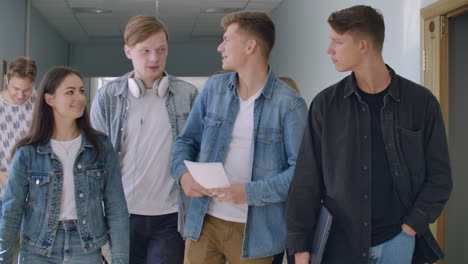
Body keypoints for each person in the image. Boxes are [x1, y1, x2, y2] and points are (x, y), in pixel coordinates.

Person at [286, 5, 452, 264]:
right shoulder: (325, 105)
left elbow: (440, 178)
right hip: (339, 247)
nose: (329, 49)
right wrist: (300, 247)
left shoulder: (421, 103)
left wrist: (409, 229)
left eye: (337, 42)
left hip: (398, 243)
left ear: (363, 45)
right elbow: (306, 182)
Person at [171, 11, 307, 264]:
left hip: (257, 233)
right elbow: (185, 142)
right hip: (204, 222)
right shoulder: (213, 89)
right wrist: (183, 175)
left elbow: (301, 173)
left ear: (250, 46)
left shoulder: (290, 104)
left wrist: (249, 193)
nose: (220, 47)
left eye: (226, 39)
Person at [90, 15, 198, 264]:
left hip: (171, 216)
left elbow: (197, 153)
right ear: (128, 51)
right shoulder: (108, 97)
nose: (154, 58)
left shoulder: (188, 95)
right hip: (121, 215)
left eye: (161, 50)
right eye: (145, 50)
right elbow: (94, 159)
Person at [0, 66, 129, 263]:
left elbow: (116, 207)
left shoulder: (100, 146)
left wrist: (120, 259)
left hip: (85, 248)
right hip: (37, 250)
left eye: (81, 90)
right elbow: (12, 211)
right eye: (70, 92)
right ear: (49, 99)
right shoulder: (28, 152)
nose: (80, 98)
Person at [0, 57, 37, 212]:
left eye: (26, 90)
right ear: (7, 80)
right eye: (16, 89)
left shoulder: (40, 104)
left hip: (33, 193)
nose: (21, 95)